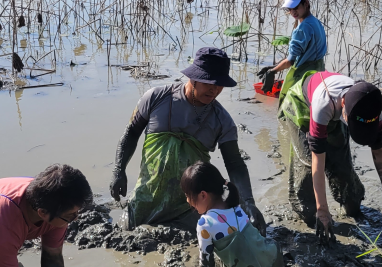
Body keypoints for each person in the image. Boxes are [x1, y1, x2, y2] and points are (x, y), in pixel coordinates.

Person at [110, 47, 266, 233]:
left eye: (220, 84)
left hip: (189, 207)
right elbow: (131, 134)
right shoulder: (155, 98)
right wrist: (119, 170)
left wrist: (248, 203)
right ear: (194, 77)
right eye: (209, 82)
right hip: (146, 199)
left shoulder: (222, 121)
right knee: (124, 232)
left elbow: (234, 164)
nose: (215, 89)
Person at [281, 71, 382, 241]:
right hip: (302, 105)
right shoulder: (323, 103)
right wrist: (322, 210)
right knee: (308, 167)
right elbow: (318, 159)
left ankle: (350, 201)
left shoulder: (370, 107)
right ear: (343, 104)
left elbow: (378, 151)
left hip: (337, 112)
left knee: (342, 166)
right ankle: (309, 214)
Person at [181, 162, 284, 267]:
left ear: (203, 195)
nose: (188, 201)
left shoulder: (204, 224)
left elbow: (206, 261)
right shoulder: (237, 207)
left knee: (219, 261)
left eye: (188, 196)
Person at [257, 0, 327, 111]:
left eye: (295, 7)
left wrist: (272, 72)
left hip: (304, 74)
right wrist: (274, 66)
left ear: (306, 3)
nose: (293, 12)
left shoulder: (302, 29)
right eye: (290, 9)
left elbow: (291, 61)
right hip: (320, 70)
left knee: (289, 108)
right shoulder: (316, 22)